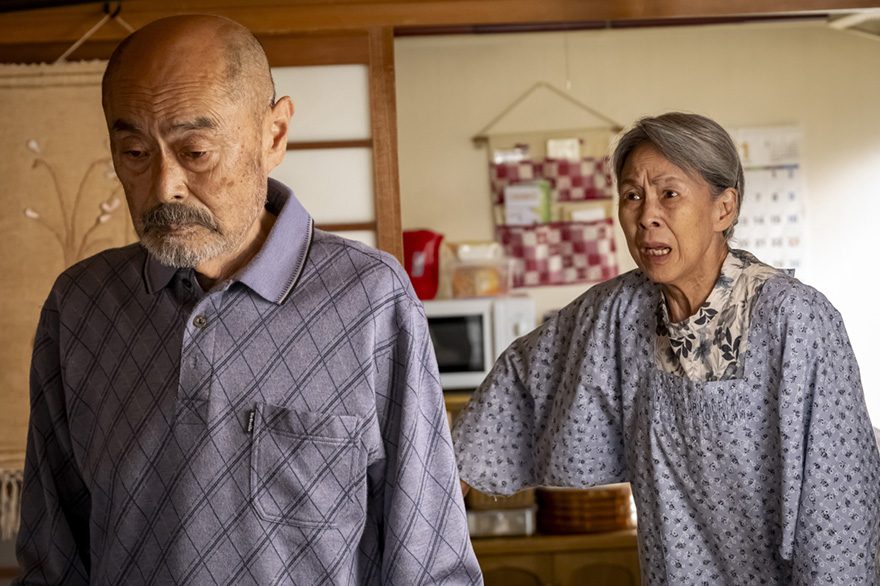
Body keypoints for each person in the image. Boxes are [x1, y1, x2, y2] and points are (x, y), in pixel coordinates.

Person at [15, 15, 481, 585]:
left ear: (274, 134)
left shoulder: (372, 301)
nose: (164, 187)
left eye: (196, 151)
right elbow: (52, 555)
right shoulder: (81, 306)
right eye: (135, 152)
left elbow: (431, 564)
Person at [452, 112, 880, 584]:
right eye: (632, 196)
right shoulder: (618, 311)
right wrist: (437, 488)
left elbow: (841, 510)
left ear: (724, 209)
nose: (646, 216)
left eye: (669, 195)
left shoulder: (797, 321)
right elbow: (523, 376)